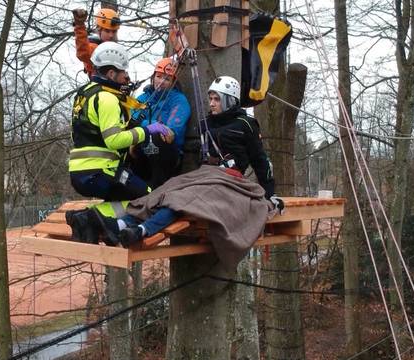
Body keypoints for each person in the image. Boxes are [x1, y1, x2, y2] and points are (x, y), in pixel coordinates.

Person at [87, 75, 284, 247]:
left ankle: (142, 230)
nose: (212, 103)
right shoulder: (205, 124)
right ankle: (121, 224)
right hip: (204, 175)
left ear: (229, 100)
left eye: (217, 99)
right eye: (210, 99)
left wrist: (270, 193)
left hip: (229, 181)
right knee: (163, 192)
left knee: (183, 200)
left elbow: (260, 160)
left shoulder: (245, 125)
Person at [67, 42, 171, 244]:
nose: (127, 77)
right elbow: (113, 140)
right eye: (124, 72)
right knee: (148, 200)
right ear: (112, 74)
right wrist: (146, 131)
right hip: (100, 171)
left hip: (79, 171)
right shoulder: (107, 98)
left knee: (121, 200)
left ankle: (87, 222)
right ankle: (88, 217)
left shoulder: (84, 93)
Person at [130, 57, 191, 188]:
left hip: (167, 152)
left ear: (173, 82)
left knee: (157, 137)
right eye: (158, 76)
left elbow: (170, 132)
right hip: (140, 150)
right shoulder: (143, 98)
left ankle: (157, 187)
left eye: (167, 79)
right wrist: (150, 125)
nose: (161, 81)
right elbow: (132, 120)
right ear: (153, 77)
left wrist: (147, 125)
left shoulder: (178, 100)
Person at [72, 7, 120, 75]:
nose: (111, 35)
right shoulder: (95, 48)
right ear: (99, 30)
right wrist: (80, 25)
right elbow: (83, 53)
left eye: (114, 32)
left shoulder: (116, 49)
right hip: (101, 84)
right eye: (107, 31)